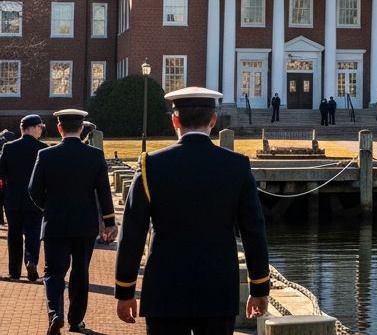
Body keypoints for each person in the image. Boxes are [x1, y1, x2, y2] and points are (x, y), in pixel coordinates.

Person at [114, 86, 270, 335]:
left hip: (165, 288)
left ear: (174, 120)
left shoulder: (150, 166)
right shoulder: (237, 166)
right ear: (213, 120)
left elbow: (132, 234)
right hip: (218, 288)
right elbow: (254, 231)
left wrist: (125, 289)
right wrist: (259, 287)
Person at [29, 109, 118, 335]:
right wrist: (109, 222)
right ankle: (75, 320)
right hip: (84, 224)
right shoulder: (95, 155)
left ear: (59, 128)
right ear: (81, 128)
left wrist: (47, 207)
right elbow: (104, 192)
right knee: (80, 272)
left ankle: (55, 313)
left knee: (53, 272)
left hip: (55, 222)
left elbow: (33, 189)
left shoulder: (46, 155)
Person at [0, 113, 46, 282]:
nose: (41, 130)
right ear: (31, 128)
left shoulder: (8, 147)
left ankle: (14, 272)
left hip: (12, 200)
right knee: (33, 234)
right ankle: (31, 261)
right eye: (39, 127)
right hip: (35, 200)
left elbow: (1, 173)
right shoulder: (43, 148)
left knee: (14, 236)